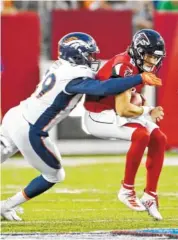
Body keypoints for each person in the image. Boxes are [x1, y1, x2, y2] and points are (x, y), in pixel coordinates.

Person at [0, 32, 161, 221]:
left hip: (16, 115)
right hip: (30, 128)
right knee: (55, 175)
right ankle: (6, 206)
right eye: (90, 54)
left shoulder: (60, 66)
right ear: (78, 55)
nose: (93, 58)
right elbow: (103, 89)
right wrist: (139, 78)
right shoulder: (76, 74)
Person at [83, 29, 167, 220]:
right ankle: (127, 189)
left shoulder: (136, 66)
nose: (152, 62)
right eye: (148, 56)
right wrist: (148, 111)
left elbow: (132, 97)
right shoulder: (124, 66)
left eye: (155, 58)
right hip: (98, 114)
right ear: (137, 51)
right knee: (141, 135)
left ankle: (150, 195)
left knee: (159, 139)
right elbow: (123, 109)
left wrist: (145, 106)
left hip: (114, 110)